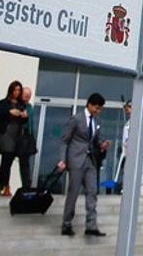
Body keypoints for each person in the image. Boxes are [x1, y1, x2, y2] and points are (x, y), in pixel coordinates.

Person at [58, 93, 111, 237]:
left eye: (100, 109)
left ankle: (91, 225)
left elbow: (97, 140)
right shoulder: (76, 119)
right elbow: (64, 140)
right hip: (76, 159)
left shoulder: (96, 121)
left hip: (90, 160)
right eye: (96, 108)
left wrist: (103, 144)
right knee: (73, 192)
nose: (98, 111)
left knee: (92, 191)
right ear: (89, 105)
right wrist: (62, 159)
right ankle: (66, 224)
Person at [0, 81, 29, 196]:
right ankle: (5, 186)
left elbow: (24, 121)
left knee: (7, 162)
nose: (17, 92)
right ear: (11, 90)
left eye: (19, 90)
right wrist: (9, 112)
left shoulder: (21, 104)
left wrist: (24, 116)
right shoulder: (4, 103)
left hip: (16, 135)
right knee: (6, 159)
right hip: (6, 134)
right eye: (15, 90)